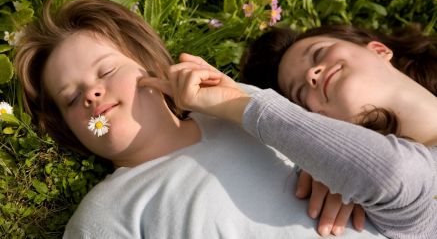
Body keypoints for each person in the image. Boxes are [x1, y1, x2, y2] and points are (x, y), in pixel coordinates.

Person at [13, 0, 385, 238]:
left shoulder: (239, 104)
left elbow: (359, 146)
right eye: (72, 98)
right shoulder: (105, 215)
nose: (91, 95)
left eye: (106, 72)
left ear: (150, 65)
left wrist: (335, 169)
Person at [141, 25, 437, 238]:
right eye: (298, 94)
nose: (312, 74)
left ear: (379, 49)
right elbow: (395, 173)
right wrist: (238, 104)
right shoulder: (409, 202)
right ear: (320, 122)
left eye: (318, 53)